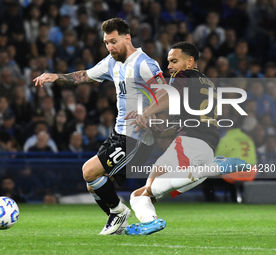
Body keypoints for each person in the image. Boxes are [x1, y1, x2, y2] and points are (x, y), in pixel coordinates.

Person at [34, 18, 166, 235]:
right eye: (106, 43)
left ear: (127, 38)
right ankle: (118, 219)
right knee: (93, 183)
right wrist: (55, 77)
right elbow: (84, 76)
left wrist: (148, 113)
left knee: (89, 171)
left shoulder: (144, 63)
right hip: (119, 133)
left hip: (137, 137)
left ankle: (119, 212)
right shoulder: (112, 62)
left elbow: (166, 96)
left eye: (113, 41)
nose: (110, 47)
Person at [123, 42, 248, 235]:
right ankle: (150, 221)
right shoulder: (206, 82)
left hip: (190, 143)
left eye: (174, 61)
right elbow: (187, 122)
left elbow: (170, 96)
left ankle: (217, 168)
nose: (170, 67)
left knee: (150, 186)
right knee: (141, 194)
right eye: (168, 62)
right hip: (204, 146)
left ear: (190, 62)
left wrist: (146, 112)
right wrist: (157, 130)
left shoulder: (184, 76)